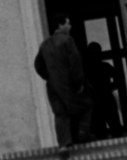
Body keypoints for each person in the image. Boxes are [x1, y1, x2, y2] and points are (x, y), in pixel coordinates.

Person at [34, 13, 93, 147]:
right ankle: (83, 133)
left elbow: (38, 65)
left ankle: (65, 143)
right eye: (67, 23)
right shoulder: (68, 40)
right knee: (87, 104)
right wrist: (78, 83)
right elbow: (75, 63)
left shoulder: (45, 43)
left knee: (60, 113)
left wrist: (49, 76)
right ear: (60, 25)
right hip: (67, 83)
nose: (70, 26)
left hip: (52, 86)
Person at [83, 41, 123, 138]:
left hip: (99, 100)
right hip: (101, 99)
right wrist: (112, 86)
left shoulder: (86, 69)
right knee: (107, 128)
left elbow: (118, 77)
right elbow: (118, 77)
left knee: (104, 129)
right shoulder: (103, 66)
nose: (94, 56)